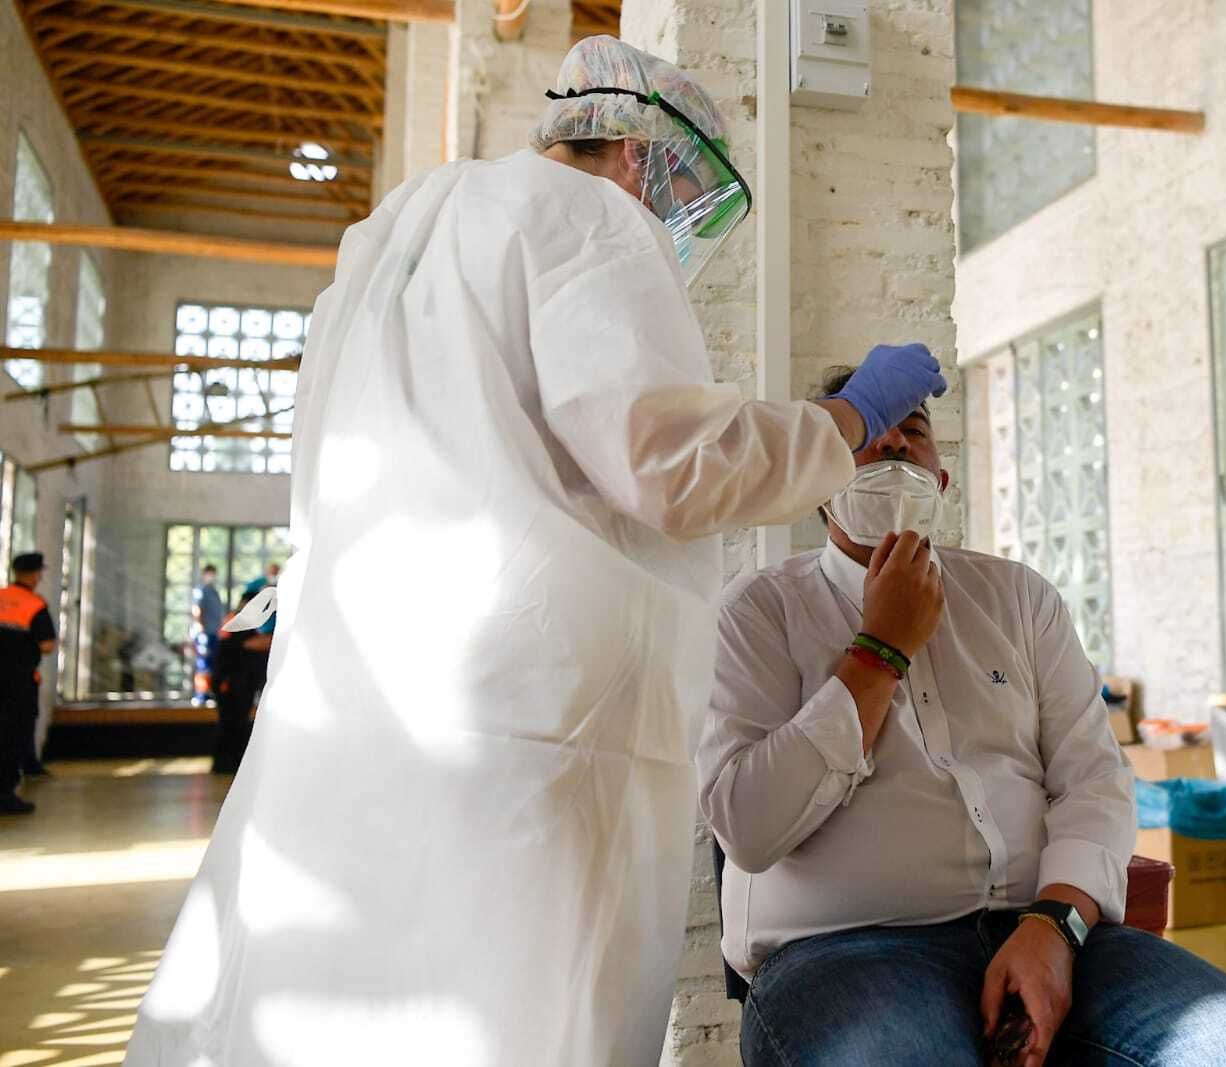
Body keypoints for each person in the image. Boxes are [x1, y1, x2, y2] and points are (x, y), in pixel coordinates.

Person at [126, 35, 945, 1067]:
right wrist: (845, 418)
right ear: (644, 155)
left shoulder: (399, 238)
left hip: (366, 689)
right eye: (689, 191)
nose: (680, 226)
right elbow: (671, 461)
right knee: (517, 1008)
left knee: (341, 994)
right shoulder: (590, 218)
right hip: (527, 711)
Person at [697, 366, 1226, 1067]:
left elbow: (1093, 778)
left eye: (915, 431)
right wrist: (879, 651)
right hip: (847, 953)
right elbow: (747, 828)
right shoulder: (757, 612)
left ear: (941, 480)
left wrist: (1054, 923)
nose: (896, 443)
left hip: (1049, 931)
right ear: (818, 482)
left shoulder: (1018, 598)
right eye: (869, 430)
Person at [0, 553, 56, 815]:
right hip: (19, 682)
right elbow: (47, 644)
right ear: (35, 575)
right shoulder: (35, 604)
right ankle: (5, 794)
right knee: (14, 735)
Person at [210, 592, 270, 775]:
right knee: (231, 723)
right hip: (230, 683)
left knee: (238, 723)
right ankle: (225, 764)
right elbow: (250, 644)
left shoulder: (247, 623)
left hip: (240, 683)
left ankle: (233, 762)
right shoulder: (235, 622)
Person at [191, 564, 224, 701]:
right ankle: (201, 695)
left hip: (214, 633)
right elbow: (197, 610)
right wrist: (201, 628)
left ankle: (210, 692)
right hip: (204, 634)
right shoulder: (201, 591)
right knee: (203, 665)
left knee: (212, 665)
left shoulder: (213, 591)